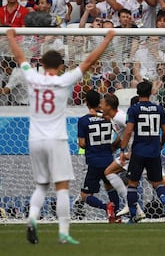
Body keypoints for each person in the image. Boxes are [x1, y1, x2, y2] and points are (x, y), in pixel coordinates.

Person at [5, 25, 115, 244]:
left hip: (35, 139)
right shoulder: (63, 80)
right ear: (61, 66)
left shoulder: (33, 78)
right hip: (56, 139)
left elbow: (19, 57)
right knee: (62, 186)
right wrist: (108, 38)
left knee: (41, 186)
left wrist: (10, 35)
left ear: (42, 64)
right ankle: (63, 232)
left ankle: (32, 218)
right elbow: (89, 61)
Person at [101, 94, 165, 223]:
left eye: (102, 103)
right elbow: (123, 135)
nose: (100, 106)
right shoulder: (115, 118)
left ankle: (133, 207)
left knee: (112, 173)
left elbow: (132, 131)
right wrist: (115, 147)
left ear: (109, 106)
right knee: (160, 183)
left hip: (138, 153)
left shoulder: (120, 117)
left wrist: (130, 151)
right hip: (143, 152)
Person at [120, 80, 165, 224]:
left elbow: (128, 131)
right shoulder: (159, 109)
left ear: (137, 93)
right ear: (151, 92)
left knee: (132, 184)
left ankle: (133, 216)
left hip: (138, 151)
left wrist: (122, 149)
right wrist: (161, 144)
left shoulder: (133, 109)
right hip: (154, 152)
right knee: (158, 183)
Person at [77, 90, 121, 224]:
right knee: (110, 188)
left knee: (85, 195)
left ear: (86, 103)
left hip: (94, 161)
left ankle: (105, 207)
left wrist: (90, 145)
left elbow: (82, 144)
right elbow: (122, 135)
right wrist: (113, 146)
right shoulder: (108, 118)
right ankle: (116, 216)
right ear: (99, 103)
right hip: (108, 160)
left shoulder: (83, 120)